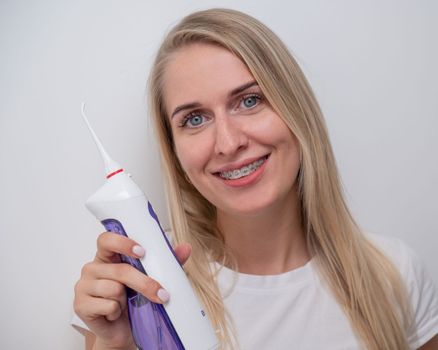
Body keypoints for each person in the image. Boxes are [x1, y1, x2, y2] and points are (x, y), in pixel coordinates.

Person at [72, 8, 438, 350]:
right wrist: (117, 344)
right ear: (175, 151)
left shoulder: (395, 274)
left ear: (296, 109)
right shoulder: (140, 294)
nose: (229, 143)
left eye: (249, 101)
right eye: (195, 119)